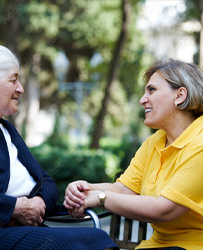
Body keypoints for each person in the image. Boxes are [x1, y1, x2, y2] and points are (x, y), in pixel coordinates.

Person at [0, 43, 118, 250]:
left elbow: (46, 181)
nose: (20, 88)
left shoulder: (6, 129)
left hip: (26, 227)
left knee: (97, 237)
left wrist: (38, 203)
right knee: (68, 243)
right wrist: (14, 208)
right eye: (13, 80)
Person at [64, 58, 203, 250]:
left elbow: (163, 210)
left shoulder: (200, 143)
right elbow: (123, 190)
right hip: (157, 245)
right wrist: (85, 190)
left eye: (151, 90)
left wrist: (100, 198)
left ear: (180, 95)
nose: (142, 99)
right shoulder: (155, 142)